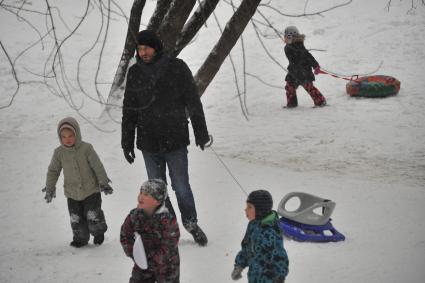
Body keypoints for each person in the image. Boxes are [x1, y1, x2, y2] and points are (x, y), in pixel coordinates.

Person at [121, 29, 210, 246]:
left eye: (147, 48)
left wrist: (201, 132)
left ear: (156, 47)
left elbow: (192, 101)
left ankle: (190, 223)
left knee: (181, 186)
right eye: (139, 49)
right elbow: (129, 109)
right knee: (158, 189)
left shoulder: (177, 68)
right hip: (148, 143)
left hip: (175, 139)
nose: (143, 53)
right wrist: (127, 141)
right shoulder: (134, 73)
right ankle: (168, 226)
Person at [42, 117, 113, 247]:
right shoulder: (59, 153)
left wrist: (103, 182)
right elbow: (53, 171)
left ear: (77, 134)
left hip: (91, 190)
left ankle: (98, 232)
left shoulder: (86, 149)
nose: (67, 139)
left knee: (92, 214)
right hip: (72, 193)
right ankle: (80, 238)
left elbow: (97, 166)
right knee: (76, 217)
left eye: (70, 136)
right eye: (63, 136)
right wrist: (50, 187)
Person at [120, 179, 180, 283]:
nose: (141, 196)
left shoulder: (168, 221)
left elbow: (169, 246)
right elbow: (125, 235)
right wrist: (134, 254)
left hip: (167, 266)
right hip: (142, 264)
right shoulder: (134, 216)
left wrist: (152, 261)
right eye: (141, 192)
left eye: (146, 194)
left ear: (157, 201)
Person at [231, 190, 289, 283]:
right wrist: (239, 264)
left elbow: (280, 256)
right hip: (254, 276)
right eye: (246, 206)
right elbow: (247, 248)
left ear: (260, 211)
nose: (245, 209)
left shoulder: (269, 232)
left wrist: (279, 277)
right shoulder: (252, 225)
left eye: (249, 207)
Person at [283, 25, 327, 108]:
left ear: (291, 36)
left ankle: (321, 102)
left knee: (309, 88)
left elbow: (308, 56)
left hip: (304, 72)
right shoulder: (288, 47)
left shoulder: (298, 47)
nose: (285, 39)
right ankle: (292, 103)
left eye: (287, 37)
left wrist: (315, 65)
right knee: (289, 88)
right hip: (293, 72)